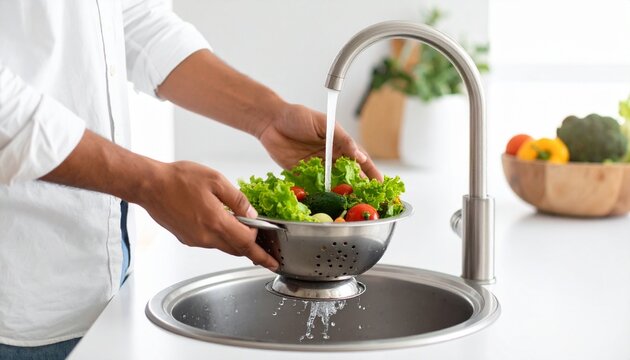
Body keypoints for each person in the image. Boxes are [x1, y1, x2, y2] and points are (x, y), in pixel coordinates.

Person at [0, 1, 381, 359]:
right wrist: (147, 183)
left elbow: (132, 17)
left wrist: (267, 116)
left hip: (106, 288)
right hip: (17, 301)